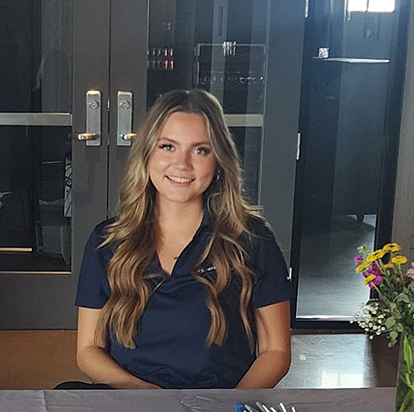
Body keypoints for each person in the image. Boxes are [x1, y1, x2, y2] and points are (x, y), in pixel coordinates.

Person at [72, 89, 291, 389]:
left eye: (200, 150)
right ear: (147, 154)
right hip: (131, 404)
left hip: (217, 410)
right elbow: (88, 350)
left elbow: (275, 351)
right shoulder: (108, 241)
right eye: (167, 147)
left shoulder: (252, 240)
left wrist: (228, 411)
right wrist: (145, 396)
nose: (182, 164)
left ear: (219, 162)